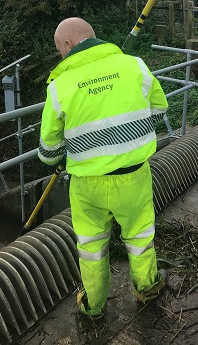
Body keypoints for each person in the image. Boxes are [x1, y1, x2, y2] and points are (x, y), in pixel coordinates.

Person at [38, 17, 169, 319]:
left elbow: (47, 152)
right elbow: (160, 108)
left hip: (87, 185)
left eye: (60, 49)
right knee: (139, 237)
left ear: (68, 45)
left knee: (92, 247)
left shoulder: (60, 86)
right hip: (134, 176)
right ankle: (146, 289)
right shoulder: (134, 65)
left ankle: (92, 306)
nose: (61, 55)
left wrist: (70, 151)